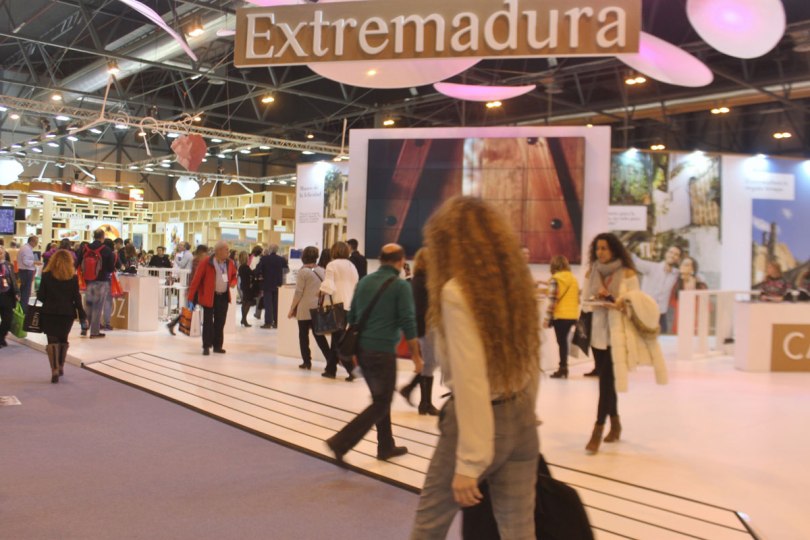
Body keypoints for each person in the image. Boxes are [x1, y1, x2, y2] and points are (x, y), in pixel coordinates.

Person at [411, 197, 540, 539]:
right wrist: (529, 410)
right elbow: (531, 354)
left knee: (429, 525)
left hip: (476, 423)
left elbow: (470, 379)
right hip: (521, 417)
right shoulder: (515, 285)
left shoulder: (456, 292)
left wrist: (470, 462)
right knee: (519, 530)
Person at [327, 243, 423, 463]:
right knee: (381, 402)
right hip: (383, 352)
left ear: (380, 260)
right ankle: (340, 442)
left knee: (381, 398)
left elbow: (352, 316)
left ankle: (385, 445)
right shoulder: (400, 286)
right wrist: (416, 357)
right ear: (401, 262)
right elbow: (408, 322)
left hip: (363, 350)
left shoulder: (365, 282)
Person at [583, 233, 639, 455]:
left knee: (606, 381)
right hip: (598, 333)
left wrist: (616, 303)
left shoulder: (627, 273)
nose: (600, 252)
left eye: (604, 248)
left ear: (614, 249)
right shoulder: (591, 272)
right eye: (597, 248)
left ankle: (597, 429)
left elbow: (636, 304)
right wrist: (596, 300)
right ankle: (615, 424)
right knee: (607, 382)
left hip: (618, 333)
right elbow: (585, 303)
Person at [399, 248, 439, 415]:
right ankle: (423, 401)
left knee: (431, 362)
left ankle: (417, 396)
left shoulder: (418, 280)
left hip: (423, 326)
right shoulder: (424, 281)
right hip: (426, 327)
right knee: (431, 362)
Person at [37, 250, 87, 383]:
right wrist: (82, 314)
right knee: (63, 339)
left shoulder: (46, 276)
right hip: (67, 314)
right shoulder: (73, 278)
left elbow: (41, 296)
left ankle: (54, 369)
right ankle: (60, 366)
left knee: (52, 341)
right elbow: (77, 298)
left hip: (49, 313)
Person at [187, 240, 237, 355]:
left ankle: (217, 346)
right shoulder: (206, 262)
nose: (228, 252)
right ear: (219, 251)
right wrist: (190, 297)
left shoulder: (229, 263)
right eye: (226, 250)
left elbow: (234, 275)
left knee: (220, 322)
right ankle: (206, 346)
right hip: (209, 297)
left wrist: (233, 282)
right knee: (208, 322)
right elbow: (196, 280)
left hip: (223, 296)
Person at [319, 241, 359, 380]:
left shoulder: (332, 265)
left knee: (338, 340)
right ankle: (330, 369)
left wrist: (320, 292)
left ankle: (351, 370)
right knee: (337, 338)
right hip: (350, 305)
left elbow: (328, 287)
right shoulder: (352, 266)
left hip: (337, 305)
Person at [288, 246, 331, 370]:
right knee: (319, 336)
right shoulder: (322, 270)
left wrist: (292, 308)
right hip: (317, 308)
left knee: (303, 336)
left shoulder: (303, 272)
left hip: (304, 309)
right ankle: (330, 360)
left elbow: (298, 293)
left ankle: (306, 361)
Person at [544, 255, 580, 379]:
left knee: (562, 343)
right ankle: (564, 368)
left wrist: (547, 318)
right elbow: (577, 299)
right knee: (564, 342)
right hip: (572, 315)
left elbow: (552, 300)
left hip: (560, 316)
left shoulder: (555, 279)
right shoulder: (573, 279)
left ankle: (563, 368)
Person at [632, 245, 682, 333]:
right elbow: (635, 260)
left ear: (678, 259)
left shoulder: (676, 274)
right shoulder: (651, 267)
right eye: (671, 252)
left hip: (661, 316)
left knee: (663, 339)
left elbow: (690, 273)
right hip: (645, 313)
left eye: (676, 254)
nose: (672, 255)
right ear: (666, 254)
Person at [78, 230, 115, 339]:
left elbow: (78, 262)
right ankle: (94, 332)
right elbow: (111, 268)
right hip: (101, 281)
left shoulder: (85, 248)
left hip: (88, 280)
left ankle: (84, 328)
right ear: (103, 237)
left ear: (94, 236)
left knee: (88, 306)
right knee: (97, 307)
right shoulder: (107, 250)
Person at [166, 244, 208, 335]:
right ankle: (173, 324)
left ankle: (172, 324)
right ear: (201, 252)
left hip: (196, 290)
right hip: (195, 291)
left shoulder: (198, 260)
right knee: (191, 310)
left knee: (191, 310)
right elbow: (196, 277)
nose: (206, 255)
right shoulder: (197, 261)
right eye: (205, 253)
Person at [668, 256, 708, 334]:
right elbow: (673, 303)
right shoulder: (677, 285)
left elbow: (705, 307)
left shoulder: (700, 286)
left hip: (695, 323)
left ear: (693, 269)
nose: (682, 266)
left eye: (686, 264)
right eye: (682, 264)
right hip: (680, 321)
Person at [255, 244, 289, 329]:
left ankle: (268, 323)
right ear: (277, 250)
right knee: (276, 304)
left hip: (267, 284)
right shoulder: (281, 259)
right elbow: (287, 270)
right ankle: (276, 322)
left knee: (268, 305)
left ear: (269, 250)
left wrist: (259, 275)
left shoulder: (264, 259)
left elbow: (257, 270)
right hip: (278, 284)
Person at [0, 246, 20, 348]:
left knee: (8, 319)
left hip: (7, 295)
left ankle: (1, 336)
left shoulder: (9, 265)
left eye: (1, 252)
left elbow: (13, 280)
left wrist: (17, 292)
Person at [18, 235, 40, 314]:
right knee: (26, 292)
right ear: (32, 241)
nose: (37, 244)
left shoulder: (26, 248)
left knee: (24, 290)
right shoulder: (26, 249)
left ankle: (22, 308)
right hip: (26, 271)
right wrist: (35, 262)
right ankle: (23, 310)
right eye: (36, 242)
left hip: (25, 271)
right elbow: (26, 262)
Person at [237, 251, 254, 327]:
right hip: (247, 286)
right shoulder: (245, 267)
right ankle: (244, 319)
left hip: (243, 286)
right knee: (248, 302)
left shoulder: (241, 267)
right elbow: (252, 273)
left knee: (244, 302)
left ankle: (243, 319)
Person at [249, 245, 264, 320]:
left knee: (257, 297)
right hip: (260, 280)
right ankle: (258, 313)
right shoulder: (260, 258)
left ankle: (257, 313)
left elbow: (251, 268)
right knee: (259, 297)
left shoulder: (251, 257)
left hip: (254, 279)